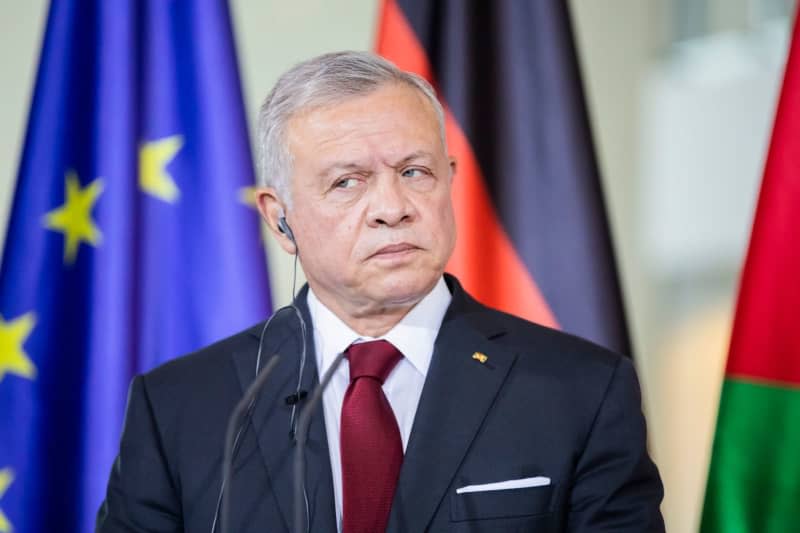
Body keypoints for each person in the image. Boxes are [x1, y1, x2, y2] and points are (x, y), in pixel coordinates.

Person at [97, 51, 664, 532]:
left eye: (415, 172)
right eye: (348, 182)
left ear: (449, 181)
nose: (393, 208)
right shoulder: (180, 406)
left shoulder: (582, 391)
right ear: (280, 220)